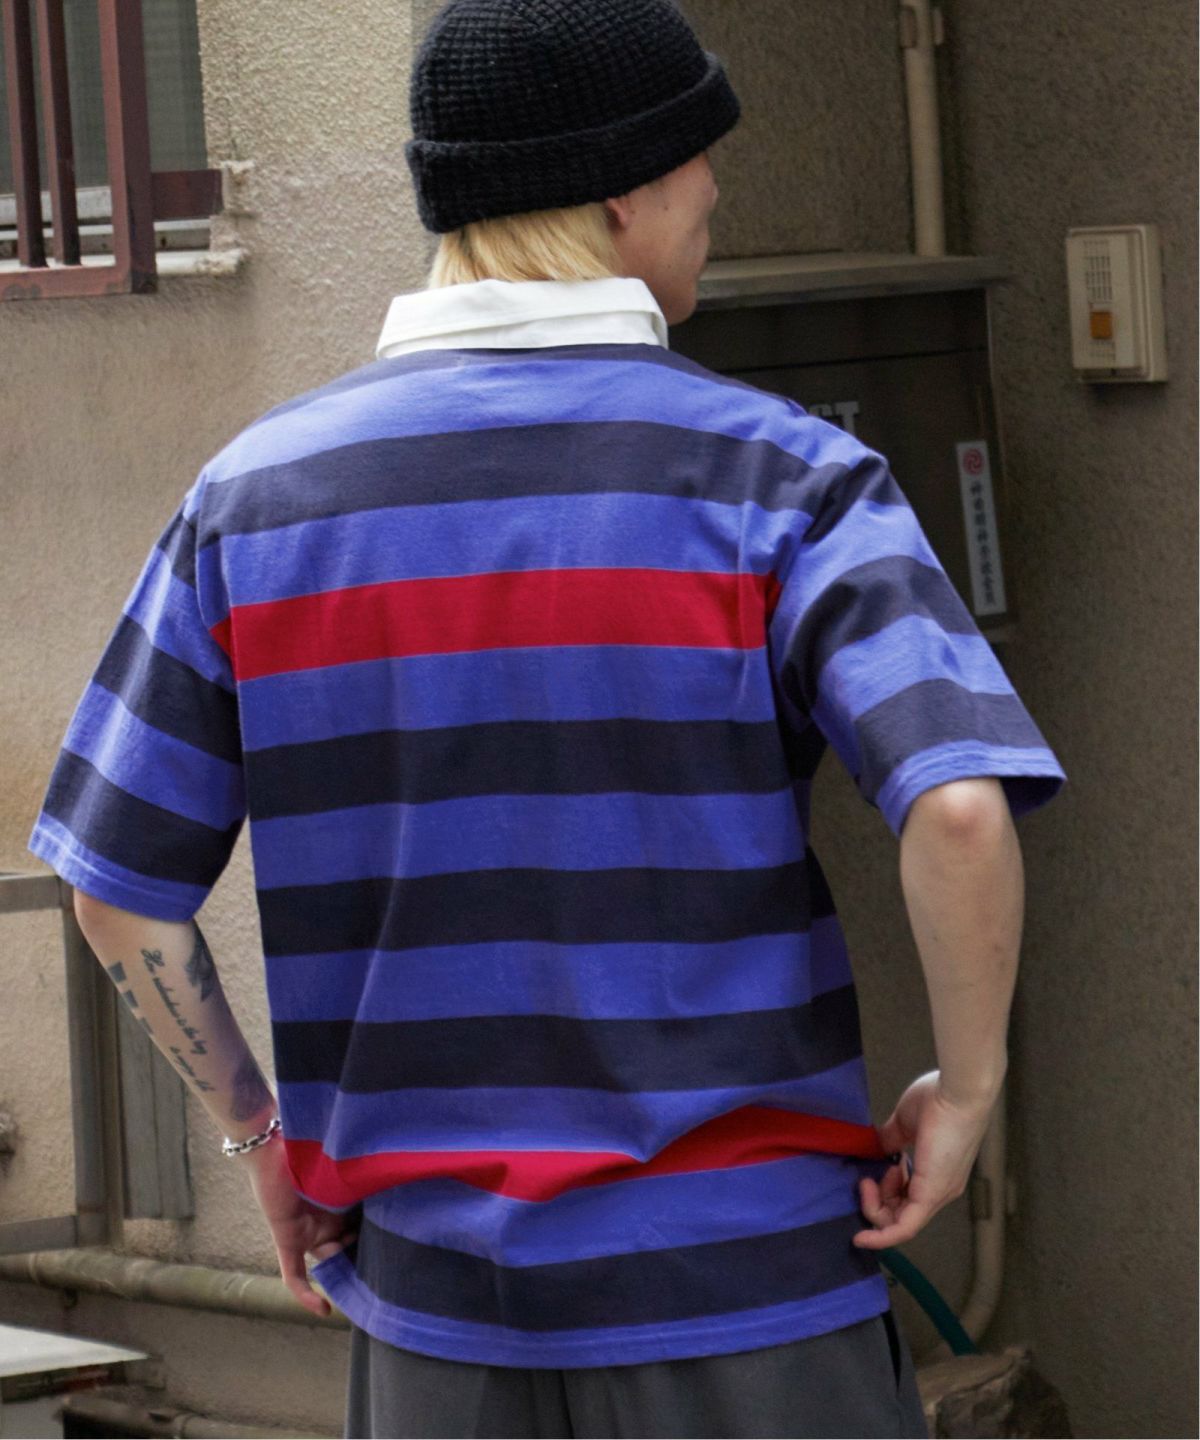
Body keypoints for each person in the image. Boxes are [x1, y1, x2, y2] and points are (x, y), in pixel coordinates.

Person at [27, 0, 1067, 1436]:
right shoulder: (787, 481)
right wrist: (966, 1093)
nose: (717, 192)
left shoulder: (251, 504)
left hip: (438, 1320)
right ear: (622, 190)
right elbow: (955, 808)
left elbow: (117, 897)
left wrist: (262, 1137)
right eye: (701, 158)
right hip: (753, 1301)